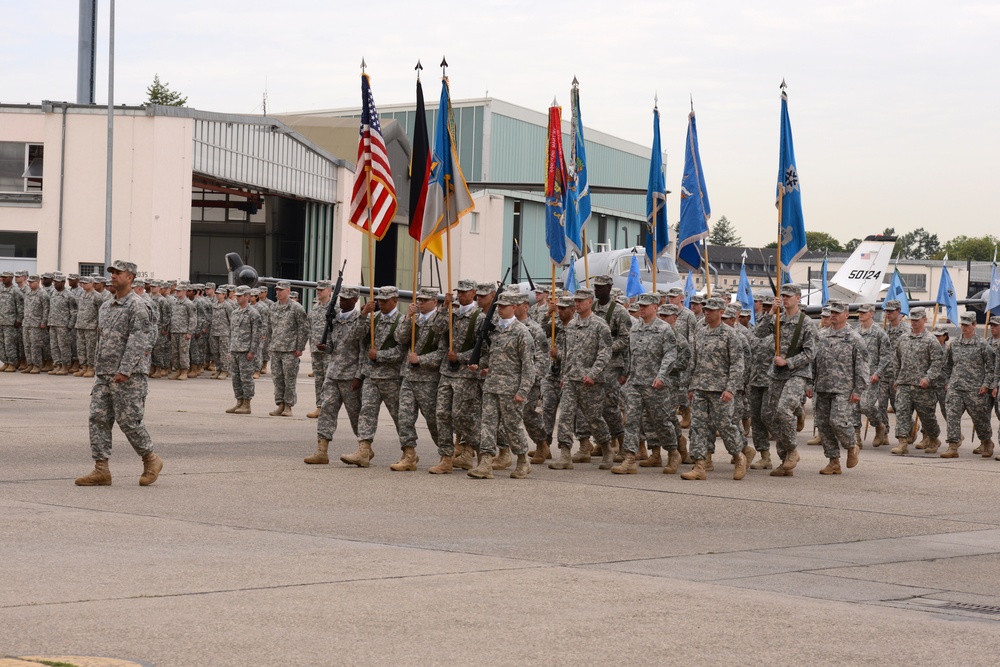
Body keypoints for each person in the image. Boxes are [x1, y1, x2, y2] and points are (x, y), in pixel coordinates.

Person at [75, 260, 163, 487]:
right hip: (105, 373)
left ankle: (151, 459)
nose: (113, 276)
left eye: (118, 273)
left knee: (129, 421)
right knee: (98, 418)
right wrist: (98, 368)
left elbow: (140, 340)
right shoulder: (106, 306)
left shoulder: (138, 306)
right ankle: (101, 470)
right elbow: (102, 340)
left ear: (130, 277)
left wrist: (125, 370)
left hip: (129, 375)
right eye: (112, 273)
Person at [681, 297, 752, 481]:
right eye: (706, 309)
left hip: (721, 390)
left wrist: (731, 388)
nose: (707, 312)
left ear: (721, 312)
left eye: (712, 310)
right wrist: (691, 385)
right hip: (700, 388)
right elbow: (694, 361)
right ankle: (699, 465)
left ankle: (739, 457)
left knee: (725, 425)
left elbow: (737, 365)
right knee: (697, 427)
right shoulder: (701, 333)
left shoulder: (730, 335)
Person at [467, 290, 535, 479]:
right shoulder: (494, 330)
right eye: (498, 307)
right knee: (487, 425)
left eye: (504, 307)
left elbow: (529, 366)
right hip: (491, 386)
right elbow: (491, 357)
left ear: (514, 308)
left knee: (513, 426)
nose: (500, 310)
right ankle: (486, 463)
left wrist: (523, 391)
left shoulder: (522, 333)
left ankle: (522, 460)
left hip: (511, 389)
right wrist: (480, 365)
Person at [753, 283, 817, 476]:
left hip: (797, 373)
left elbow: (810, 353)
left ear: (798, 298)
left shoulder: (806, 323)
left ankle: (792, 450)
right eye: (783, 296)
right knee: (770, 416)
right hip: (776, 374)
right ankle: (784, 459)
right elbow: (759, 333)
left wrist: (787, 362)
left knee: (783, 409)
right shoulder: (777, 319)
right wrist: (771, 311)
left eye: (789, 296)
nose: (785, 298)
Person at [612, 292, 678, 474]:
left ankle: (673, 452)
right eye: (640, 306)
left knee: (661, 421)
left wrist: (661, 376)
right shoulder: (635, 328)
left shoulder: (664, 329)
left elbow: (670, 354)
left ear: (655, 308)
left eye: (645, 306)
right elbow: (630, 354)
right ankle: (630, 458)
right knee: (632, 421)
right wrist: (626, 374)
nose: (641, 309)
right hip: (635, 383)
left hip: (655, 384)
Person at [549, 288, 614, 470]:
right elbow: (569, 353)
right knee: (566, 417)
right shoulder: (571, 326)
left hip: (590, 381)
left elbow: (604, 353)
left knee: (594, 418)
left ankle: (607, 448)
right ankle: (565, 454)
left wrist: (593, 374)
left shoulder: (600, 326)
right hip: (571, 379)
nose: (577, 304)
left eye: (581, 300)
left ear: (590, 301)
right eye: (575, 301)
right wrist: (564, 375)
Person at [344, 286, 404, 468]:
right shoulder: (373, 319)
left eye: (385, 301)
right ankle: (363, 450)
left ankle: (408, 451)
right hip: (371, 376)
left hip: (392, 378)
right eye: (379, 300)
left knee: (400, 417)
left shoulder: (402, 322)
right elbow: (354, 336)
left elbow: (402, 351)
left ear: (395, 300)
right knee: (367, 413)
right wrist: (363, 314)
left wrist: (380, 356)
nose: (381, 303)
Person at [306, 287, 366, 465]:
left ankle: (364, 449)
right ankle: (321, 451)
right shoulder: (335, 319)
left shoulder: (361, 321)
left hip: (350, 376)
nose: (342, 302)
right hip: (333, 374)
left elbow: (362, 352)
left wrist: (358, 377)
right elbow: (333, 346)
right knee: (326, 412)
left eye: (347, 299)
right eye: (341, 298)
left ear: (355, 300)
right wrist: (325, 347)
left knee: (356, 415)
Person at [393, 287, 446, 472]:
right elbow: (400, 338)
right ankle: (409, 455)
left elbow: (443, 353)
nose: (421, 303)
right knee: (405, 418)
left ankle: (447, 454)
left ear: (435, 302)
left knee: (433, 420)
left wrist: (421, 360)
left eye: (425, 300)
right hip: (409, 376)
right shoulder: (413, 318)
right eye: (419, 300)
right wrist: (408, 318)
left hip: (429, 379)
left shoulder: (440, 322)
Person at [813, 300, 868, 474]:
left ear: (846, 315)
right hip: (822, 386)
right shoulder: (821, 336)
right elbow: (813, 362)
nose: (833, 316)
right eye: (832, 313)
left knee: (838, 421)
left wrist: (859, 390)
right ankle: (833, 461)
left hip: (844, 389)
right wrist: (809, 383)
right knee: (823, 425)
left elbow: (862, 366)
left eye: (837, 313)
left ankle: (852, 445)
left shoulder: (854, 338)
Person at [435, 279, 483, 470]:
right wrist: (445, 306)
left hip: (466, 374)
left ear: (473, 293)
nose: (460, 295)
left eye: (464, 292)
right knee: (442, 414)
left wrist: (461, 357)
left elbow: (483, 350)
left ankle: (477, 449)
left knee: (461, 415)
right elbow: (437, 328)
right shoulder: (452, 314)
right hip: (447, 372)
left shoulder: (479, 317)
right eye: (458, 292)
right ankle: (446, 457)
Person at [940, 312, 995, 458]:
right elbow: (947, 366)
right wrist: (947, 382)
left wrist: (986, 384)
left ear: (974, 325)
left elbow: (991, 367)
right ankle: (952, 446)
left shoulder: (982, 344)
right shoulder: (955, 343)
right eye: (962, 324)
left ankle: (987, 442)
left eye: (967, 324)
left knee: (980, 419)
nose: (964, 327)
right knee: (952, 416)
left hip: (975, 390)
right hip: (955, 388)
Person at [890, 307, 944, 455]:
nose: (914, 323)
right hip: (905, 384)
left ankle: (933, 438)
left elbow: (937, 362)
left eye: (917, 320)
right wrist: (897, 378)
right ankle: (902, 442)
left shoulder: (931, 340)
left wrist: (928, 378)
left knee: (927, 417)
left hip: (923, 387)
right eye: (912, 320)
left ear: (924, 320)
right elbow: (896, 360)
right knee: (902, 413)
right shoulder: (903, 339)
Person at [267, 281, 308, 416]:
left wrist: (300, 347)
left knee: (289, 379)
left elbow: (303, 328)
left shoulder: (296, 308)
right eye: (277, 290)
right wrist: (269, 345)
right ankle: (280, 404)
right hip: (276, 348)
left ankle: (288, 406)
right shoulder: (273, 307)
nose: (278, 292)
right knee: (277, 378)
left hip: (290, 350)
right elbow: (269, 328)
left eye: (281, 290)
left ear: (288, 291)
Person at [856, 303, 893, 447]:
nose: (861, 314)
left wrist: (878, 373)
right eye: (859, 312)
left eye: (864, 312)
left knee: (865, 406)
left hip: (872, 377)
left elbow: (886, 356)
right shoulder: (855, 331)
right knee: (854, 406)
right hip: (856, 375)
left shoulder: (879, 333)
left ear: (872, 314)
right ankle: (856, 437)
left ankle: (879, 425)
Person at [225, 285, 262, 415]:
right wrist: (230, 350)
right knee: (235, 378)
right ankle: (239, 402)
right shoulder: (235, 312)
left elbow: (256, 334)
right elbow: (232, 332)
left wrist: (252, 351)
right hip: (235, 349)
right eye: (237, 296)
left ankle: (247, 404)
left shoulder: (253, 313)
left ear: (247, 296)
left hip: (246, 351)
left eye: (240, 296)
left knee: (246, 378)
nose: (237, 298)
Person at [306, 280, 334, 417]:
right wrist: (311, 347)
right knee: (318, 380)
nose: (318, 292)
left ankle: (328, 408)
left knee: (328, 381)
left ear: (329, 291)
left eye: (321, 290)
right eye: (317, 289)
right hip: (316, 350)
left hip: (329, 350)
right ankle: (319, 406)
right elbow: (310, 329)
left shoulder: (335, 309)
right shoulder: (315, 308)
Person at [0, 270, 23, 371]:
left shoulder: (15, 291)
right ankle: (5, 362)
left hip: (10, 322)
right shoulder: (1, 289)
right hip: (1, 321)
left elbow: (20, 307)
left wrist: (19, 320)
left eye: (5, 277)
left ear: (11, 278)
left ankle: (12, 363)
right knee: (1, 344)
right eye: (2, 277)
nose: (3, 279)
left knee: (10, 343)